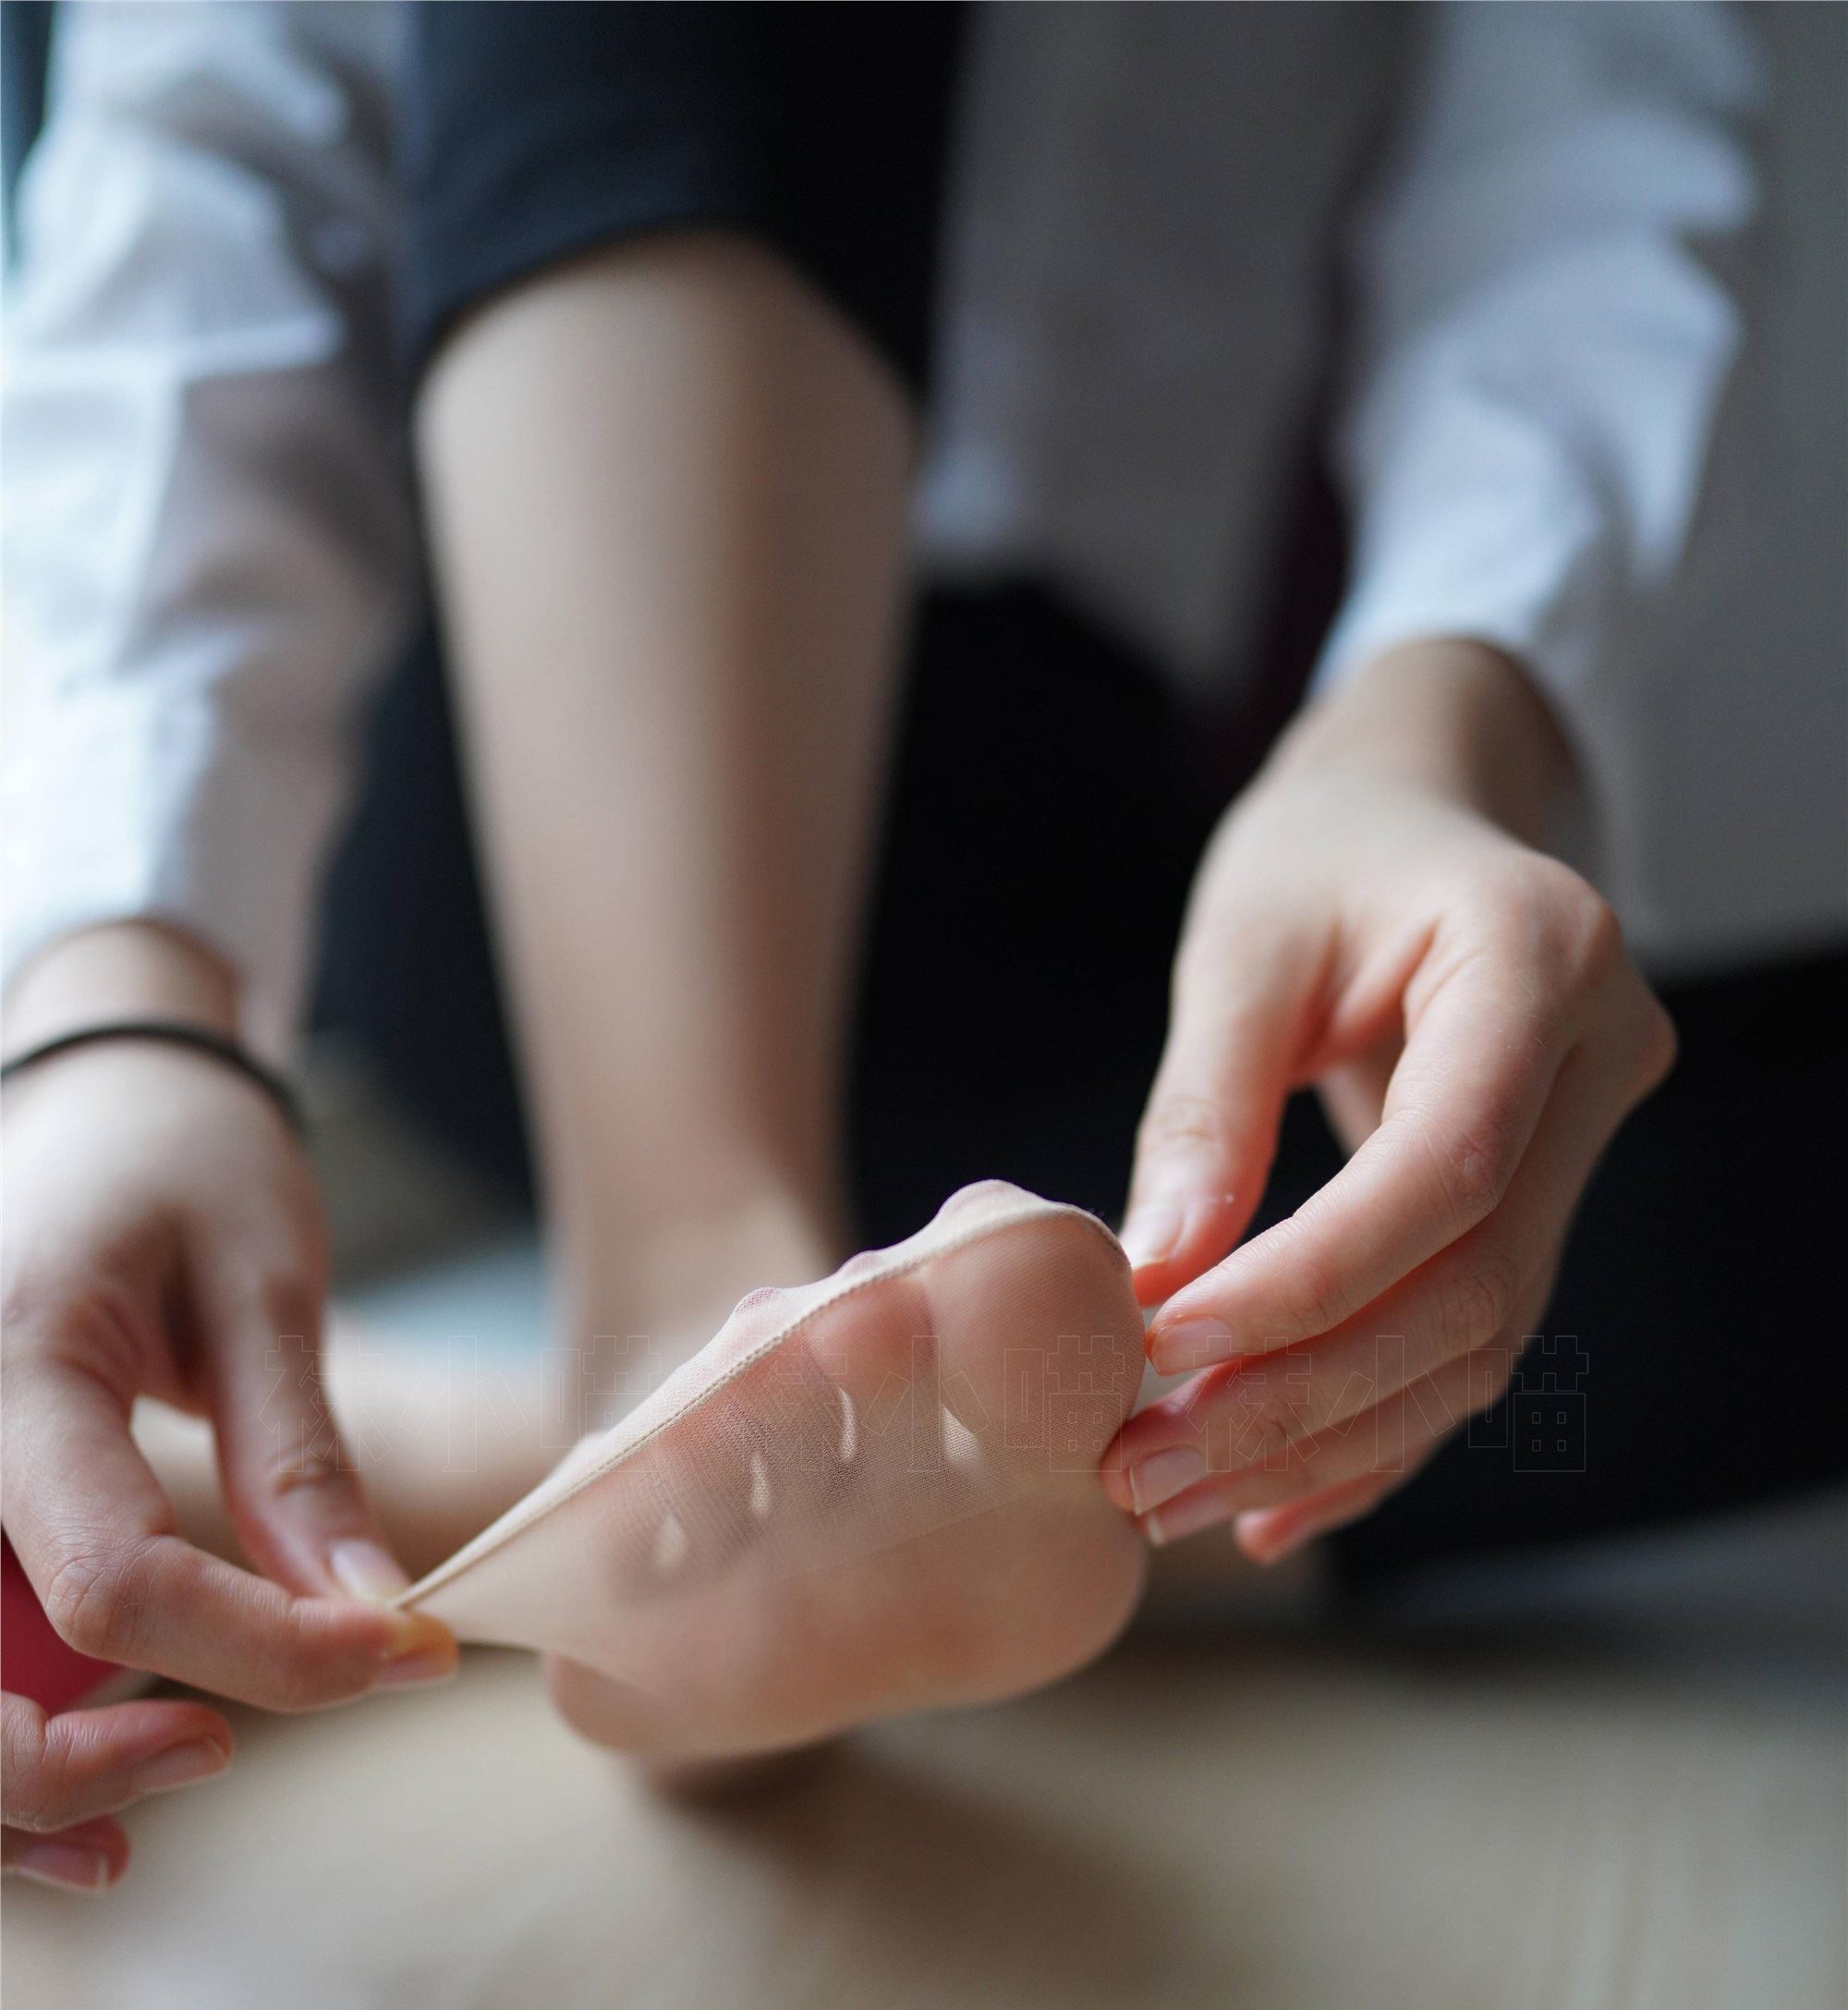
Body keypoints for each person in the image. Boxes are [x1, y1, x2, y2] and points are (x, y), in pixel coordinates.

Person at [0, 1, 1821, 1884]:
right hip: (545, 786)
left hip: (1089, 860)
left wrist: (1435, 720)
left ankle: (500, 1471)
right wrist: (121, 1007)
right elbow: (212, 130)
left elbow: (1589, 104)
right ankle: (679, 1298)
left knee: (1514, 1232)